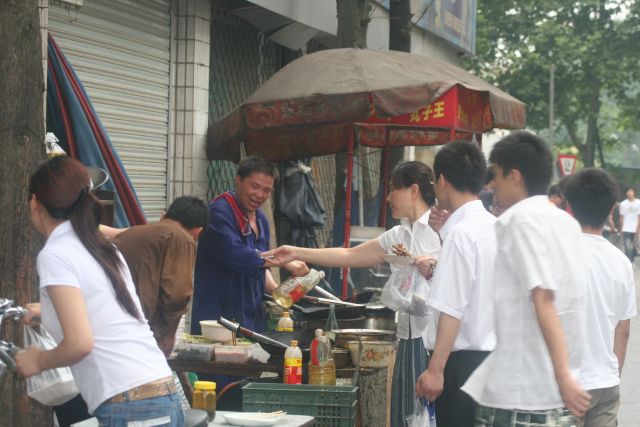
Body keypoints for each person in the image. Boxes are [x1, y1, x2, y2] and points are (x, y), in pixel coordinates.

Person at [262, 161, 440, 426]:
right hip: (407, 337)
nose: (388, 197)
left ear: (413, 190)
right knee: (406, 416)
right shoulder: (398, 236)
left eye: (393, 190)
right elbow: (349, 254)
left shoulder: (441, 231)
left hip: (436, 343)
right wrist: (297, 252)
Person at [15, 156, 183, 425]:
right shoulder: (102, 248)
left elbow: (80, 344)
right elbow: (104, 309)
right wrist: (45, 310)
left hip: (130, 404)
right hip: (160, 393)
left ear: (35, 202)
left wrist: (38, 360)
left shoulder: (56, 254)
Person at [462, 131, 591, 426]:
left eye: (494, 174)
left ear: (514, 176)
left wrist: (562, 375)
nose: (491, 184)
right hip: (556, 391)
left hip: (522, 392)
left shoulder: (519, 220)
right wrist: (566, 375)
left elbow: (543, 297)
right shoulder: (566, 222)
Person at [414, 141, 497, 427]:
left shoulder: (461, 234)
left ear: (443, 181)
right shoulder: (494, 225)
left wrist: (435, 370)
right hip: (492, 362)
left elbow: (452, 308)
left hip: (462, 366)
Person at [191, 156, 308, 335]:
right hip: (218, 317)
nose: (259, 195)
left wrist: (277, 290)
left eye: (266, 190)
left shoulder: (261, 219)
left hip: (251, 316)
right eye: (255, 186)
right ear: (238, 180)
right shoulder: (219, 212)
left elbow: (260, 264)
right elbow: (238, 255)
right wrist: (284, 261)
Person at [564, 168, 636, 427]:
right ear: (610, 210)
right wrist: (612, 375)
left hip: (565, 384)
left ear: (570, 206)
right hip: (605, 382)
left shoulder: (558, 253)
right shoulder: (621, 262)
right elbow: (623, 330)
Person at [112, 196, 209, 356]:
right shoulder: (182, 238)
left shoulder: (127, 234)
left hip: (112, 326)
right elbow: (177, 295)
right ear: (198, 232)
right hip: (144, 332)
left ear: (164, 216)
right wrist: (168, 336)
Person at [618, 186, 640, 262]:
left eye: (630, 191)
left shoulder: (638, 202)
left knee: (635, 249)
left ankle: (632, 259)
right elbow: (621, 217)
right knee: (627, 248)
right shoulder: (623, 204)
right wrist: (621, 229)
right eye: (627, 191)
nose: (629, 193)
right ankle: (629, 263)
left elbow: (639, 216)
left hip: (635, 228)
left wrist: (638, 229)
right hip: (626, 229)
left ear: (634, 192)